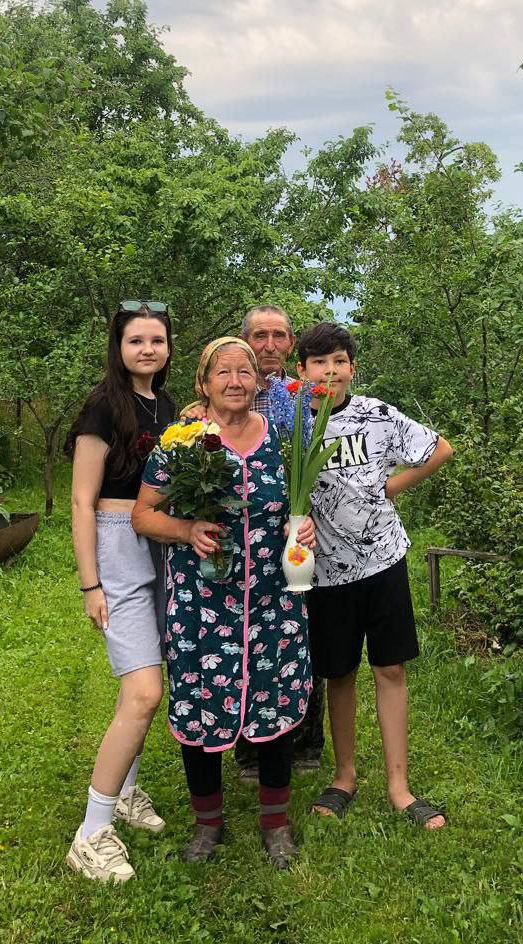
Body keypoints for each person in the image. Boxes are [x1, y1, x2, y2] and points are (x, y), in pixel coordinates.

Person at [132, 336, 316, 869]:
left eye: (245, 372)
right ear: (204, 383)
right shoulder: (182, 443)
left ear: (259, 382)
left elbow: (300, 506)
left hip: (273, 600)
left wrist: (303, 527)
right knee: (200, 703)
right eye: (223, 372)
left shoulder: (282, 442)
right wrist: (186, 529)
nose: (235, 381)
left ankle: (275, 823)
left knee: (273, 699)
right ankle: (207, 824)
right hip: (202, 602)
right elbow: (143, 514)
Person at [296, 321, 453, 830]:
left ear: (352, 368)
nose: (331, 371)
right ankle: (344, 777)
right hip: (325, 573)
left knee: (390, 669)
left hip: (384, 561)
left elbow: (440, 449)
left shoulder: (377, 414)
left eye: (340, 361)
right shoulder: (292, 424)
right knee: (339, 674)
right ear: (302, 370)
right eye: (320, 362)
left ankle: (399, 787)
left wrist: (392, 487)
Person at [63, 301, 177, 883]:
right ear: (119, 347)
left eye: (157, 340)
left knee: (146, 681)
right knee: (144, 692)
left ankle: (126, 793)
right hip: (116, 543)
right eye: (136, 341)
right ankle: (91, 833)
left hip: (160, 542)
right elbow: (82, 500)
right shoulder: (103, 407)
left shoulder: (168, 406)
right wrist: (92, 582)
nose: (147, 350)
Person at [235, 303, 326, 777]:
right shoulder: (231, 391)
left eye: (278, 336)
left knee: (301, 634)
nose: (269, 345)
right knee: (245, 636)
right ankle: (249, 745)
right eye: (260, 335)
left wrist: (306, 515)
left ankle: (306, 742)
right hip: (242, 538)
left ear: (291, 344)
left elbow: (316, 463)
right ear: (246, 340)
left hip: (295, 532)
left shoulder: (303, 394)